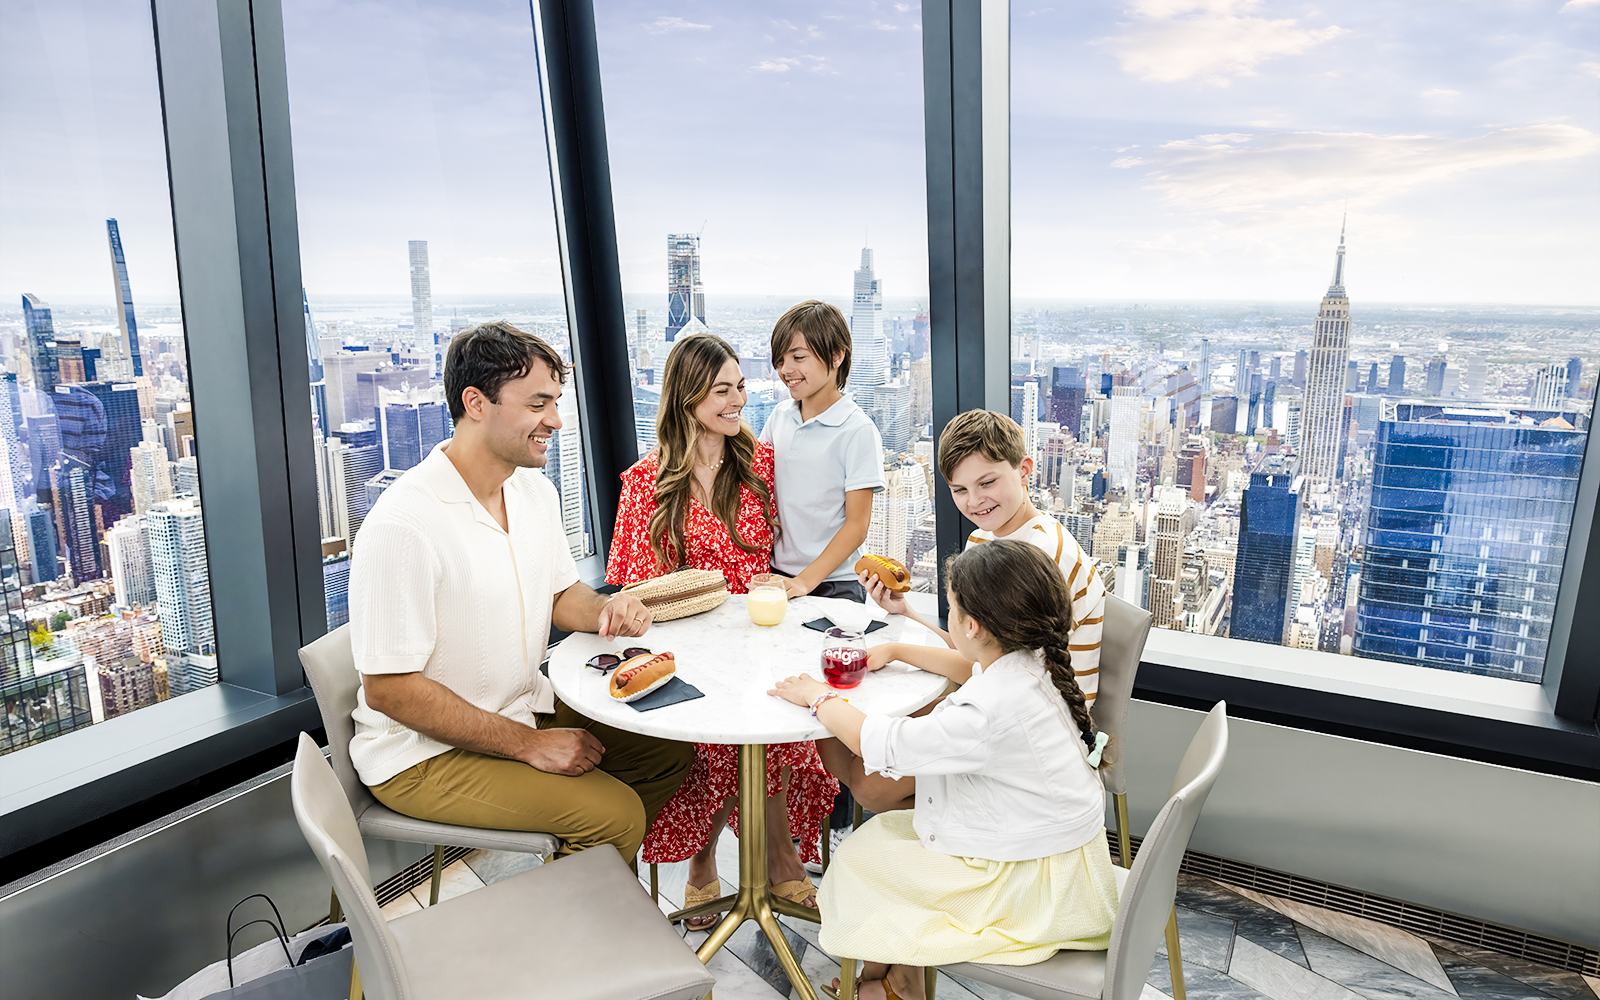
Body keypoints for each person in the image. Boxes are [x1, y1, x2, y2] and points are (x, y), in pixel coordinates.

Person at [348, 321, 693, 865]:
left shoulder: (533, 490)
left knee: (667, 753)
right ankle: (586, 899)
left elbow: (560, 595)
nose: (555, 420)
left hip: (520, 708)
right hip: (421, 753)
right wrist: (529, 746)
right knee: (614, 815)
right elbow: (390, 691)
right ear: (475, 403)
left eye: (555, 402)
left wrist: (608, 607)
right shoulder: (404, 524)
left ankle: (582, 881)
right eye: (538, 404)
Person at [770, 541, 1119, 1000]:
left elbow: (886, 744)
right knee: (886, 838)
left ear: (971, 626)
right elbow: (968, 665)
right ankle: (893, 983)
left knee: (859, 861)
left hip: (1033, 893)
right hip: (1062, 861)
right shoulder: (1033, 664)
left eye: (951, 609)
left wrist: (818, 696)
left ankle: (895, 985)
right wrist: (898, 650)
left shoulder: (989, 709)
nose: (949, 618)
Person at [607, 332, 838, 926]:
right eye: (721, 391)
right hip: (687, 652)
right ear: (687, 398)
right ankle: (722, 860)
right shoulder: (646, 482)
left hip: (761, 641)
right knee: (719, 740)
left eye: (739, 387)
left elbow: (804, 536)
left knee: (773, 725)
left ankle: (765, 857)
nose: (738, 401)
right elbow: (631, 587)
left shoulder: (759, 464)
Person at [831, 409, 1107, 813]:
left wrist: (898, 650)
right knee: (856, 736)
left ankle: (975, 820)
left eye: (987, 482)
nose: (975, 501)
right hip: (1000, 698)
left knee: (869, 782)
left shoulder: (1037, 555)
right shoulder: (986, 539)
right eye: (960, 489)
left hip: (1036, 726)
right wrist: (906, 612)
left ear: (1024, 470)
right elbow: (978, 650)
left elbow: (992, 670)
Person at [761, 300, 885, 601]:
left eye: (798, 357)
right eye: (780, 360)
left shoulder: (857, 430)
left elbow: (857, 526)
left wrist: (805, 582)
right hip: (777, 574)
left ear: (837, 355)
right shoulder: (779, 416)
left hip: (836, 584)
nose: (786, 370)